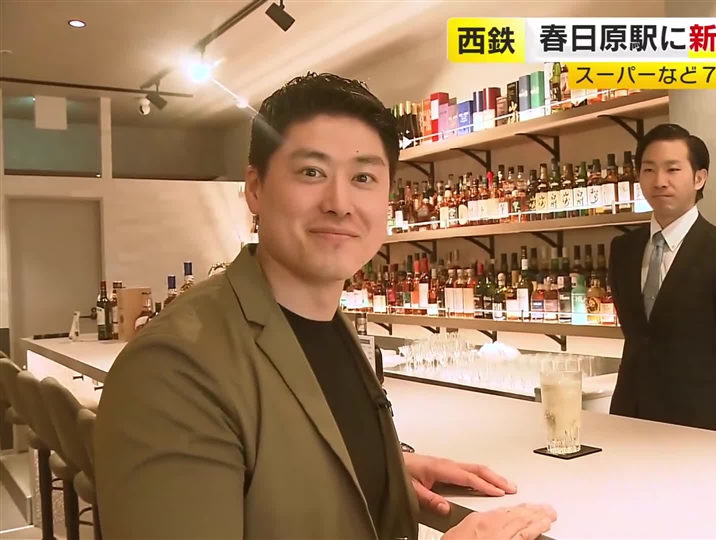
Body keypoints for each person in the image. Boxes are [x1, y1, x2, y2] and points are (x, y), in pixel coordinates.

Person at [95, 72, 557, 539]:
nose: (339, 203)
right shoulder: (173, 369)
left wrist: (379, 467)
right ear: (255, 188)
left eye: (363, 178)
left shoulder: (327, 325)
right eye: (312, 172)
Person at [607, 123, 716, 434]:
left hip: (703, 423)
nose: (660, 181)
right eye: (649, 170)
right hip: (630, 417)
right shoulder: (623, 249)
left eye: (672, 169)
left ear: (699, 178)